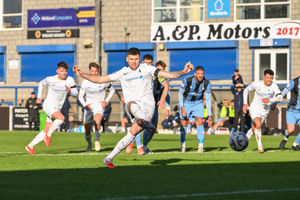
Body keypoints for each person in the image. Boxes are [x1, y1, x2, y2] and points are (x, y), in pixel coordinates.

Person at [73, 47, 193, 168]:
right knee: (131, 104)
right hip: (133, 107)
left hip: (147, 108)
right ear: (127, 59)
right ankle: (142, 123)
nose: (134, 61)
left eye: (136, 59)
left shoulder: (147, 69)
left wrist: (184, 71)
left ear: (140, 59)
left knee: (132, 132)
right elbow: (100, 79)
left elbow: (169, 75)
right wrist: (82, 74)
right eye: (131, 59)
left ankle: (109, 157)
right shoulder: (123, 72)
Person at [25, 61, 78, 155]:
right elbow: (41, 83)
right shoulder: (51, 79)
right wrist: (39, 96)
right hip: (48, 105)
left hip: (57, 108)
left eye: (65, 71)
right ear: (57, 71)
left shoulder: (70, 80)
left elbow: (76, 93)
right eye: (61, 71)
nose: (64, 73)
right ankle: (49, 135)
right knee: (61, 118)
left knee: (45, 129)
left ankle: (30, 146)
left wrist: (70, 91)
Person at [127, 60, 170, 155]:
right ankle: (138, 147)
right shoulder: (148, 76)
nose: (160, 72)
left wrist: (167, 106)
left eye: (162, 70)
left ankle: (144, 146)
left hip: (154, 107)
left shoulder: (162, 79)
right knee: (140, 124)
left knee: (152, 128)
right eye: (159, 70)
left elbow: (167, 91)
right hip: (143, 104)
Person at [78, 62, 115, 152]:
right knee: (87, 129)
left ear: (98, 71)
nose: (94, 73)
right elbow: (80, 96)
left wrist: (106, 100)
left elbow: (112, 90)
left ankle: (97, 140)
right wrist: (85, 105)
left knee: (97, 121)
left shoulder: (103, 81)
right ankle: (89, 144)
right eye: (92, 71)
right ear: (89, 71)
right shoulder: (85, 82)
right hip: (89, 107)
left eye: (96, 71)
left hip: (99, 106)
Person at [243, 69, 282, 153]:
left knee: (255, 127)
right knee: (258, 124)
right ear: (264, 77)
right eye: (267, 77)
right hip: (255, 107)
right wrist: (245, 103)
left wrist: (271, 101)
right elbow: (246, 90)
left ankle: (245, 139)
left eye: (271, 78)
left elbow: (280, 97)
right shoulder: (257, 84)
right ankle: (260, 146)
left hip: (265, 110)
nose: (269, 80)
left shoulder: (274, 86)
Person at [178, 66, 212, 153]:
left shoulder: (207, 83)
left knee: (200, 122)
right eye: (199, 73)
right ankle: (183, 145)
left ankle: (200, 146)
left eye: (202, 74)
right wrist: (182, 107)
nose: (200, 75)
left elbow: (208, 99)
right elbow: (180, 93)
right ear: (195, 74)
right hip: (186, 103)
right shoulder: (187, 80)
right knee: (184, 123)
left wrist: (210, 115)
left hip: (198, 103)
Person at [279, 76, 300, 151]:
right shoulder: (294, 81)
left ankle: (295, 144)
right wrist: (279, 97)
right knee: (290, 130)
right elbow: (285, 90)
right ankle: (285, 138)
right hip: (292, 110)